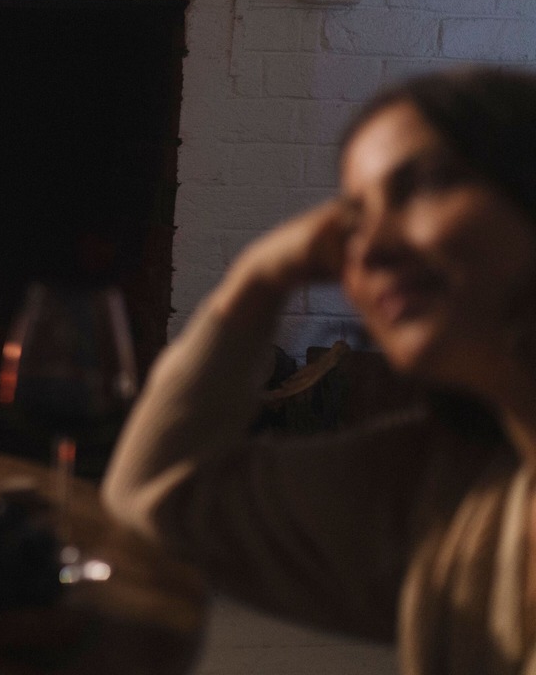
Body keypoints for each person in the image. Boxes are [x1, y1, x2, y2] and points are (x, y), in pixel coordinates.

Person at [103, 66, 536, 674]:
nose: (374, 248)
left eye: (428, 184)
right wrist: (254, 281)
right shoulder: (449, 493)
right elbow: (159, 499)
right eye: (352, 219)